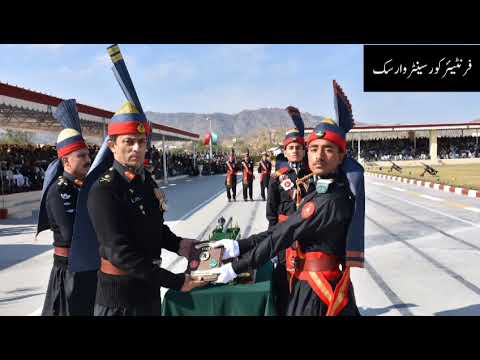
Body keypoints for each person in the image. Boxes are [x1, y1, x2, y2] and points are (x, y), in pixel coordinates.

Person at [211, 80, 366, 316]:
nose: (318, 156)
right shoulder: (321, 190)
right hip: (317, 283)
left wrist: (236, 267)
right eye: (314, 149)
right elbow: (279, 227)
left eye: (328, 150)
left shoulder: (328, 200)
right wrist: (236, 245)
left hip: (316, 294)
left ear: (341, 156)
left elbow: (282, 235)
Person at [86, 44, 206, 316]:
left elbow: (153, 229)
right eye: (129, 142)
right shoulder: (104, 191)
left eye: (141, 142)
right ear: (113, 146)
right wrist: (175, 281)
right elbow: (119, 252)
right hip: (119, 300)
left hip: (147, 293)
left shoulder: (144, 181)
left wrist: (179, 245)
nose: (137, 148)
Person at [36, 99, 93, 316]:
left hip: (89, 269)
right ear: (66, 162)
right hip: (70, 273)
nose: (88, 159)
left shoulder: (85, 186)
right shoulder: (57, 192)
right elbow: (71, 234)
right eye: (82, 156)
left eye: (88, 155)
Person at [264, 106, 311, 316]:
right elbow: (271, 213)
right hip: (284, 236)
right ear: (285, 151)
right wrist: (273, 241)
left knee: (306, 279)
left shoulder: (313, 175)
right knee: (284, 280)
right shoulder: (277, 178)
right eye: (291, 148)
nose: (295, 151)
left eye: (298, 147)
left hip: (308, 234)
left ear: (304, 150)